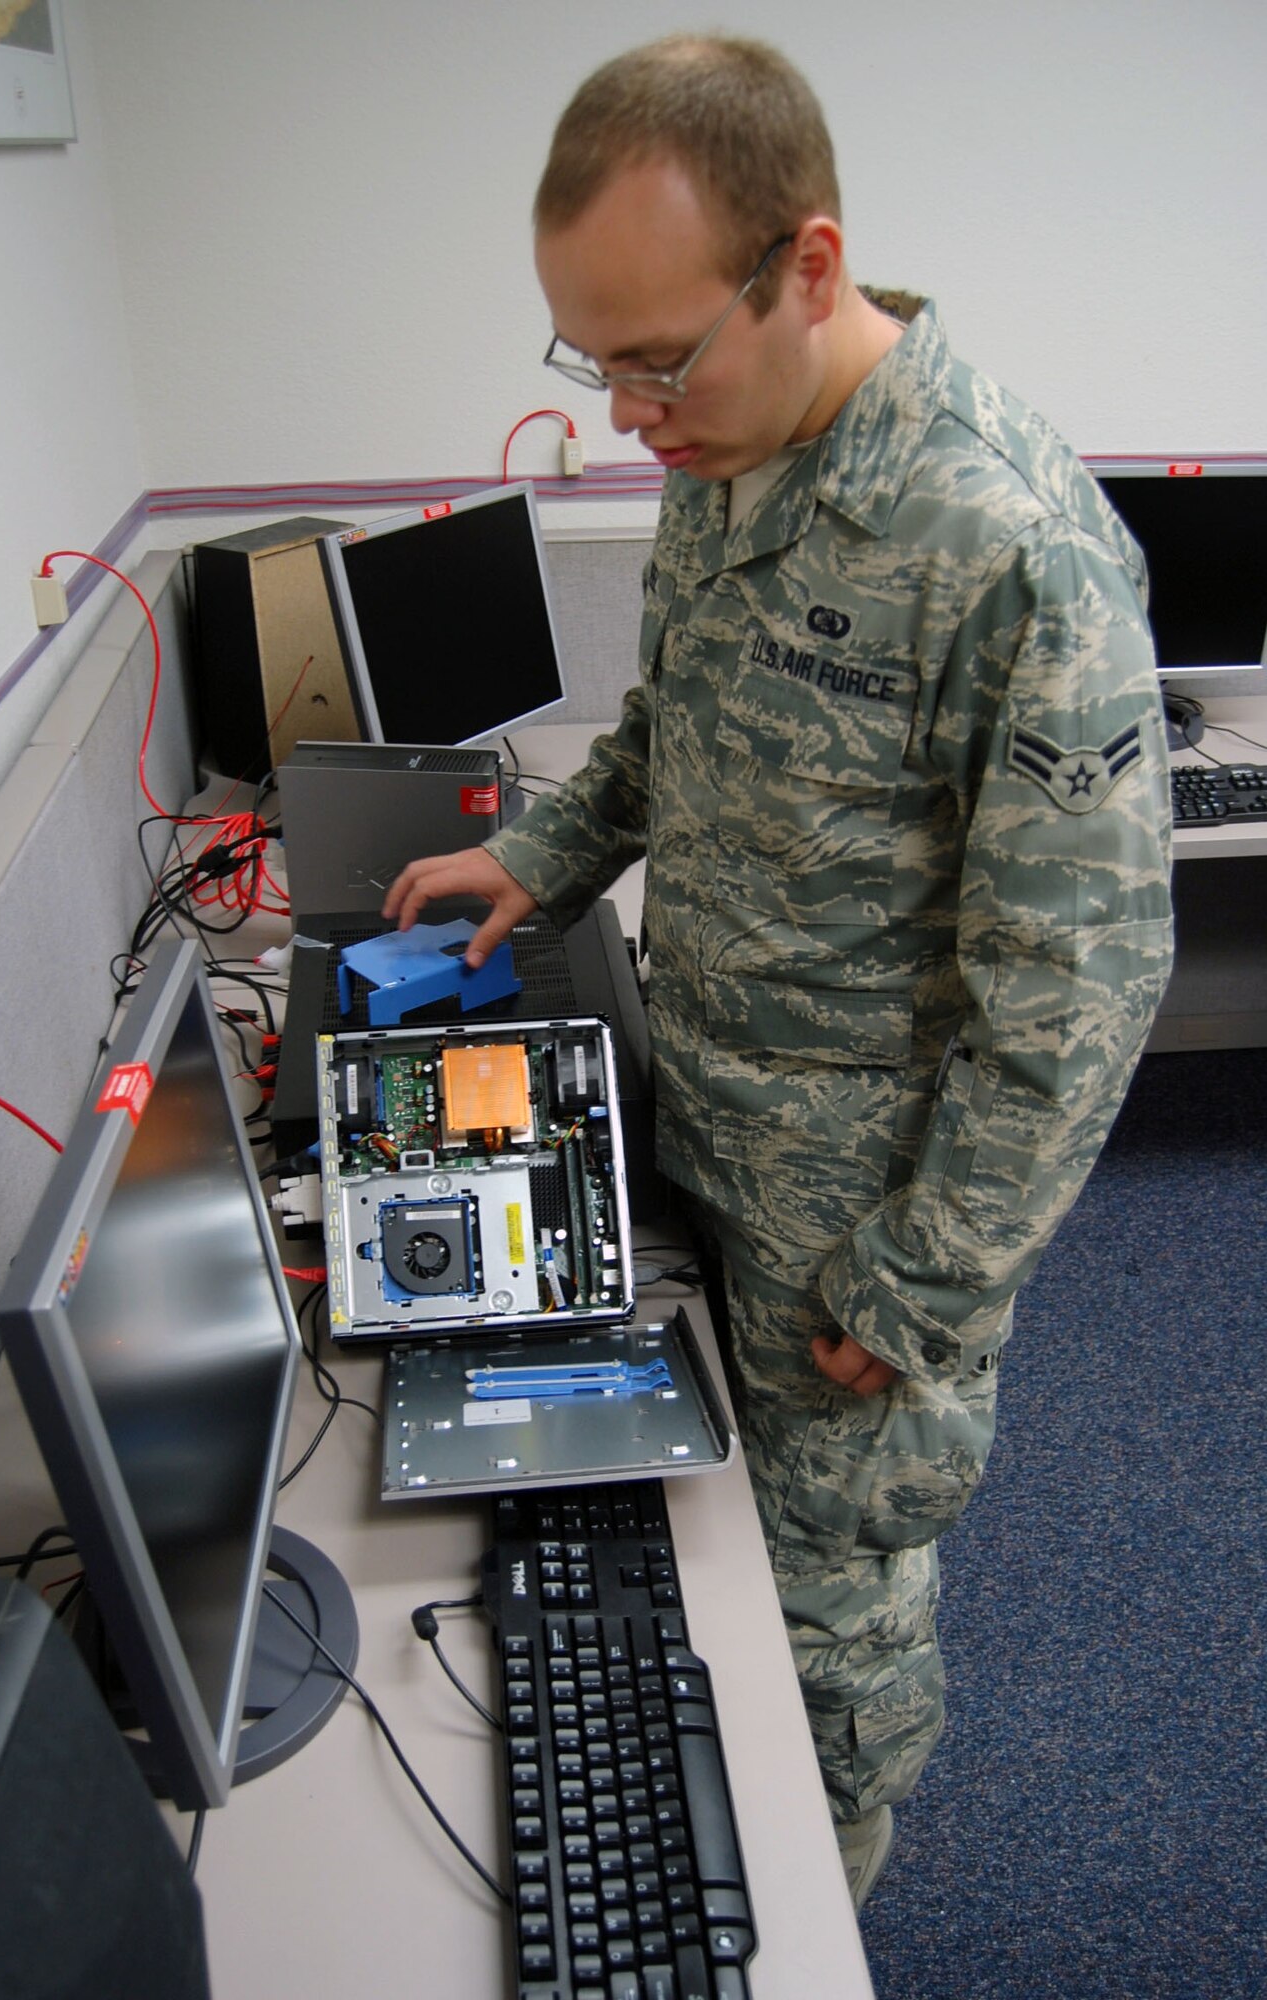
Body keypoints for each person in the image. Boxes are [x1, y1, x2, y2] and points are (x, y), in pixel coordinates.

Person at [385, 34, 1175, 1908]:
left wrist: (915, 1293)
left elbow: (1075, 1001)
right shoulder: (729, 447)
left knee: (828, 1622)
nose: (629, 415)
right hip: (705, 1116)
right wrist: (542, 852)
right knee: (701, 1557)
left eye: (658, 358)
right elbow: (680, 723)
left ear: (807, 269)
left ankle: (829, 1898)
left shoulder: (1008, 547)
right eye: (597, 362)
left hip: (863, 1219)